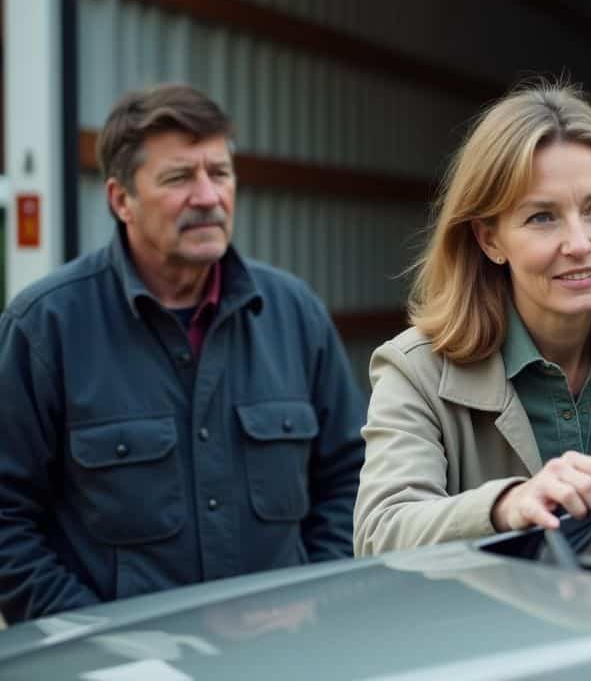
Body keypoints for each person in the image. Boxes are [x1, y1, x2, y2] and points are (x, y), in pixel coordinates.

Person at [0, 84, 366, 624]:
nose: (207, 196)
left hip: (283, 657)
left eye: (219, 173)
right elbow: (7, 520)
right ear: (121, 199)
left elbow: (352, 478)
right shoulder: (46, 327)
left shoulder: (294, 314)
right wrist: (94, 637)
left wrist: (310, 593)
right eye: (178, 177)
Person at [354, 83, 591, 555]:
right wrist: (506, 505)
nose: (578, 243)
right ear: (490, 240)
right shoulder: (416, 371)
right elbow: (380, 532)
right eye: (542, 218)